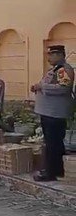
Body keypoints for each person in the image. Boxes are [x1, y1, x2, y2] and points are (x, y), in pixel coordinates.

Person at [32, 45, 74, 182]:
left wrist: (42, 86)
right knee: (53, 143)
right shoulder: (54, 70)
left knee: (52, 143)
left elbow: (63, 88)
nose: (49, 57)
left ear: (60, 55)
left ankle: (50, 173)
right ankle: (57, 169)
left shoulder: (64, 69)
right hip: (48, 112)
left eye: (52, 54)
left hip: (55, 113)